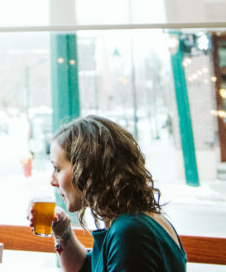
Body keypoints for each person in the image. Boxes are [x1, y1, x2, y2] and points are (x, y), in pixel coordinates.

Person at [29, 115, 187, 272]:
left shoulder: (129, 233)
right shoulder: (135, 221)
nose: (52, 181)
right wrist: (62, 230)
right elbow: (86, 268)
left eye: (57, 169)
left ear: (87, 168)